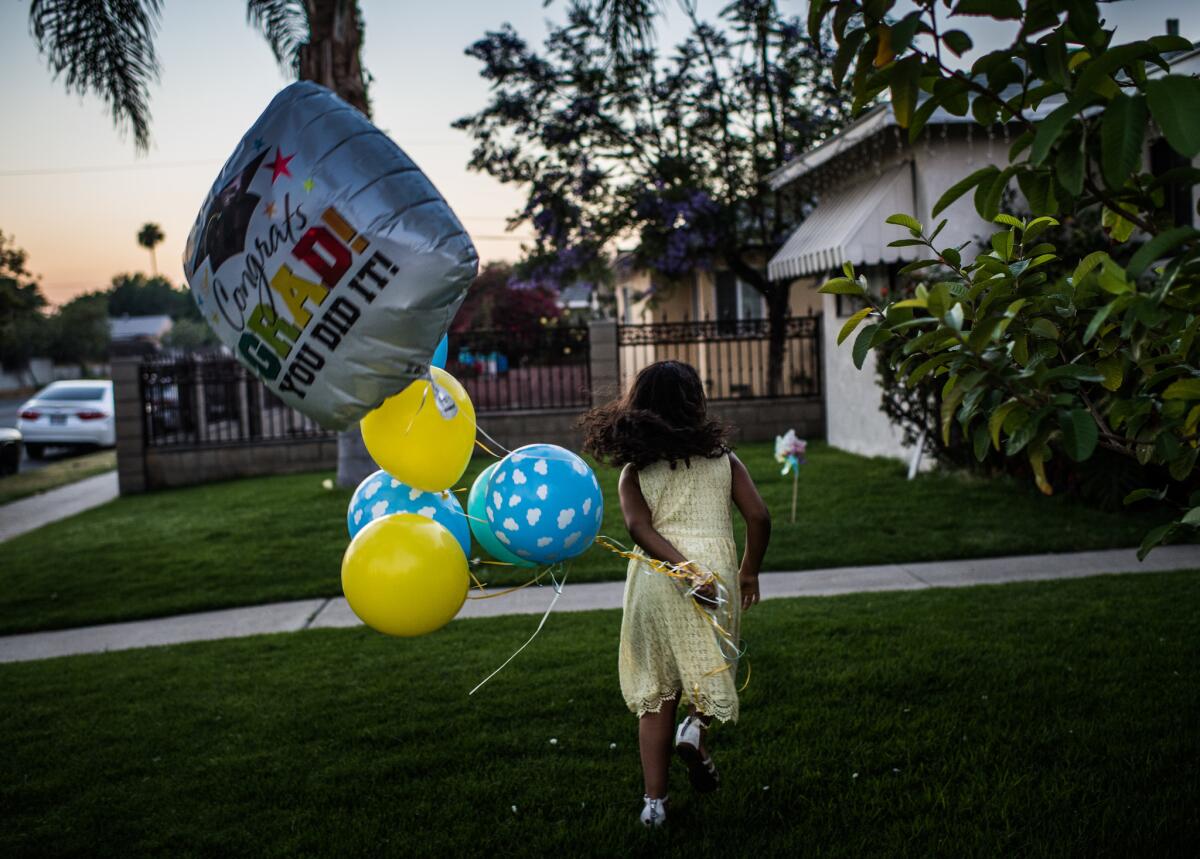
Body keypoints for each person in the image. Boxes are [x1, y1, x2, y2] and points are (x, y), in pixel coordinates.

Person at [581, 360, 771, 827]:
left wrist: (680, 570)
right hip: (716, 572)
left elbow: (637, 527)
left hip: (656, 580)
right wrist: (747, 572)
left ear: (638, 407)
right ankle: (696, 730)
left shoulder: (634, 470)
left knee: (658, 691)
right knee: (709, 663)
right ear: (695, 403)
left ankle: (654, 804)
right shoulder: (723, 459)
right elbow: (759, 517)